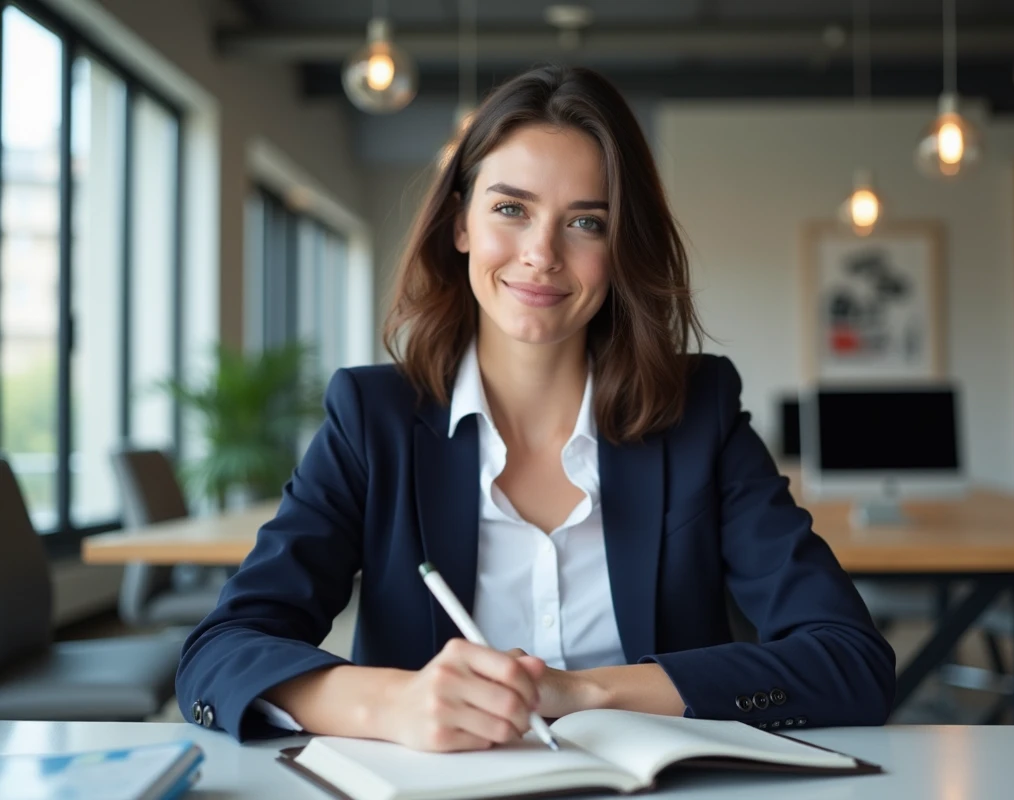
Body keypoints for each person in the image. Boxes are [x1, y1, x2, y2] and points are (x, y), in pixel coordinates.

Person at [175, 65, 895, 752]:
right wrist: (391, 704)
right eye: (511, 209)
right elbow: (220, 655)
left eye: (587, 223)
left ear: (621, 248)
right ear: (461, 225)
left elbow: (850, 661)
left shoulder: (696, 412)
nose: (542, 254)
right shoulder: (373, 419)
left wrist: (584, 691)